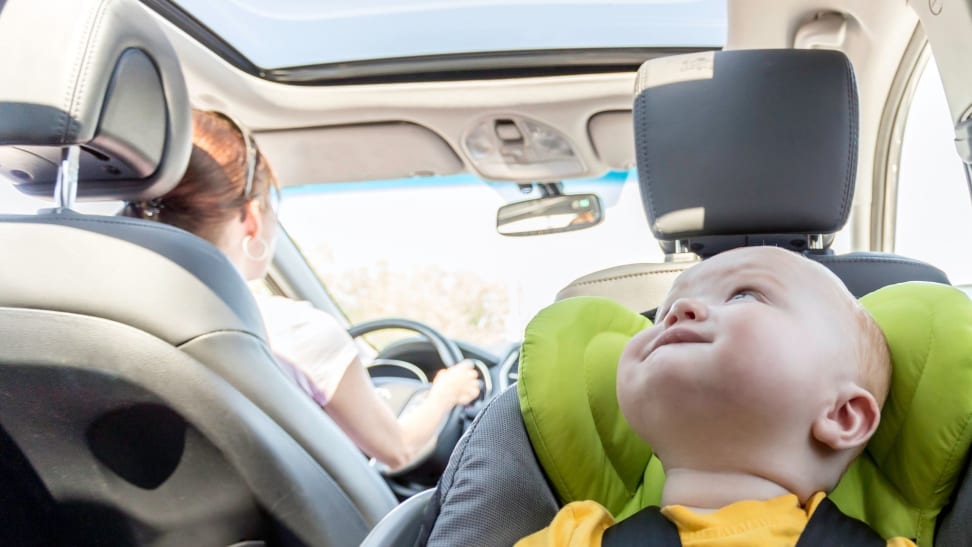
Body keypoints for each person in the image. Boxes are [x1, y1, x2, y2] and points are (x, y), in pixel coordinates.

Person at [125, 109, 481, 471]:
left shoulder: (111, 320)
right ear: (251, 218)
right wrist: (445, 394)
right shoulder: (297, 333)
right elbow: (397, 450)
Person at [517, 246, 915, 546]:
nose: (679, 310)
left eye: (744, 295)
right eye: (665, 310)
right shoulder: (573, 536)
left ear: (842, 415)